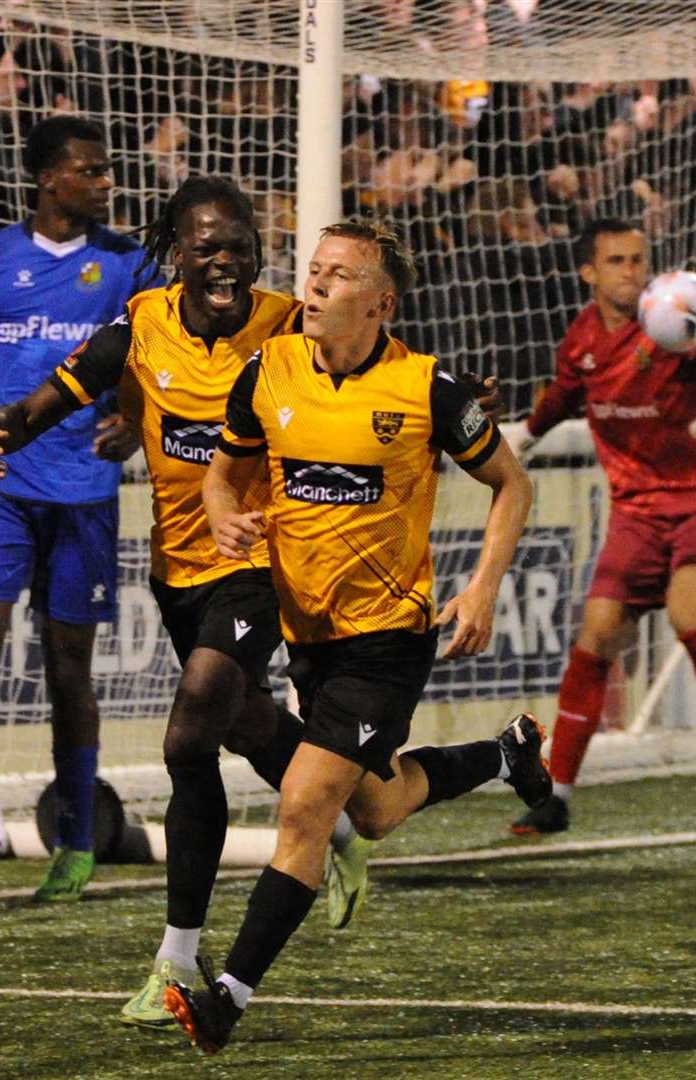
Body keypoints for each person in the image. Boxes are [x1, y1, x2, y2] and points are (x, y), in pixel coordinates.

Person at [0, 178, 520, 1028]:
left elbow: (378, 360)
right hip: (178, 569)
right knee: (299, 759)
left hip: (255, 568)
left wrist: (462, 402)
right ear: (175, 251)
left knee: (189, 732)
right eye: (207, 246)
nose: (227, 261)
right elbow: (43, 405)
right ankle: (355, 820)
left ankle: (177, 961)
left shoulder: (289, 322)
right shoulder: (141, 325)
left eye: (241, 244)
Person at [164, 219, 537, 1053]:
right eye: (313, 270)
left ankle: (227, 997)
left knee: (303, 807)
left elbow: (511, 483)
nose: (316, 285)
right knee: (371, 809)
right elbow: (222, 474)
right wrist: (225, 520)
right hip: (310, 632)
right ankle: (504, 756)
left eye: (337, 274)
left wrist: (482, 585)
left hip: (388, 636)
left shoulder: (428, 388)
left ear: (381, 301)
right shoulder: (270, 369)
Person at [0, 115, 158, 910]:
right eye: (91, 171)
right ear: (50, 179)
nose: (104, 183)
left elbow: (151, 358)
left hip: (84, 490)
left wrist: (136, 421)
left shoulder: (129, 265)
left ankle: (77, 844)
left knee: (68, 673)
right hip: (0, 487)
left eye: (106, 171)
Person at [505, 218, 696, 835]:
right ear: (589, 274)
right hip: (636, 507)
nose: (632, 271)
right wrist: (521, 438)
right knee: (596, 635)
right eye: (617, 261)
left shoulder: (677, 321)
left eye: (638, 259)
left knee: (689, 616)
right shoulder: (580, 341)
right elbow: (562, 396)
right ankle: (559, 795)